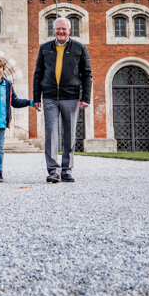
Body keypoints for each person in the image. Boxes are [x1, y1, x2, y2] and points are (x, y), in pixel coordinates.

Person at [33, 16, 92, 183]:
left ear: (69, 30)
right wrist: (36, 97)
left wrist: (85, 97)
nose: (61, 31)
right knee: (51, 133)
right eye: (58, 29)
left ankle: (66, 170)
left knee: (69, 134)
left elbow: (87, 74)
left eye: (64, 29)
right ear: (54, 30)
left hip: (71, 97)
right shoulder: (45, 48)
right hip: (50, 97)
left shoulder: (80, 48)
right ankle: (53, 170)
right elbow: (38, 74)